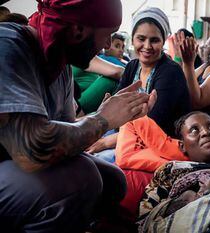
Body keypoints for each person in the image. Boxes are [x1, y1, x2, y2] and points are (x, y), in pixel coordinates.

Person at [0, 0, 156, 232]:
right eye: (107, 35)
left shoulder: (60, 63)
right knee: (82, 179)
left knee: (113, 180)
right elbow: (31, 151)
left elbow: (67, 138)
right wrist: (103, 119)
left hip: (14, 167)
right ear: (78, 30)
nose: (106, 45)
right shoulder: (8, 45)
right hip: (17, 161)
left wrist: (109, 113)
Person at [117, 7, 191, 136]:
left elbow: (155, 123)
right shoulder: (132, 67)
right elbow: (117, 108)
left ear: (163, 42)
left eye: (154, 40)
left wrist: (105, 142)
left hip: (161, 142)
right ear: (133, 39)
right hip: (129, 135)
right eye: (141, 38)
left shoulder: (170, 72)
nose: (147, 46)